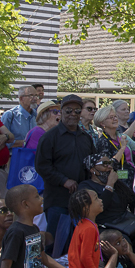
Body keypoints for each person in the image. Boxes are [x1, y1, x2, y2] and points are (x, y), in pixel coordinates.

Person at [35, 94, 95, 242]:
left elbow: (91, 163)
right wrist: (63, 180)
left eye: (77, 110)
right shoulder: (49, 137)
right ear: (61, 112)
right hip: (58, 200)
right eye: (68, 110)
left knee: (78, 242)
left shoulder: (86, 138)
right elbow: (42, 166)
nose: (73, 114)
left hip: (81, 200)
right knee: (56, 243)